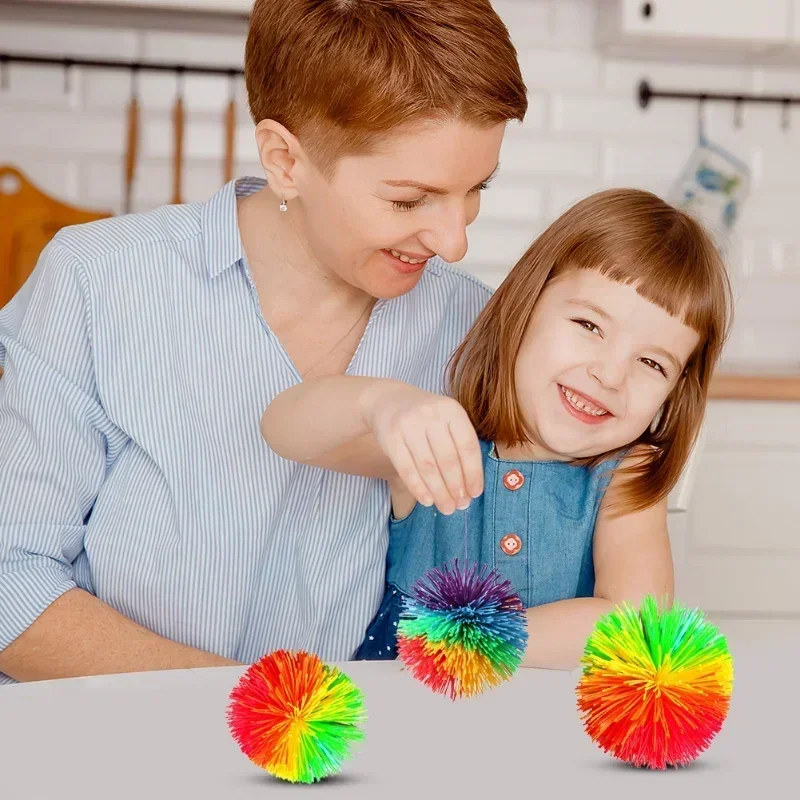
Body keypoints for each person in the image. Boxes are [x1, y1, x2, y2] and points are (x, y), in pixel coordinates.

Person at [0, 0, 527, 683]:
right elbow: (12, 581)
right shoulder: (99, 282)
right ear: (285, 159)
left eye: (475, 189)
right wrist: (260, 715)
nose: (454, 240)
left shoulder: (472, 327)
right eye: (408, 201)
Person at [261, 188, 734, 670]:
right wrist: (377, 403)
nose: (610, 375)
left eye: (652, 362)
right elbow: (282, 430)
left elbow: (636, 624)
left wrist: (475, 643)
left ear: (675, 391)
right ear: (525, 307)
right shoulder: (443, 442)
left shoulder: (624, 476)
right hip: (401, 724)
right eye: (590, 326)